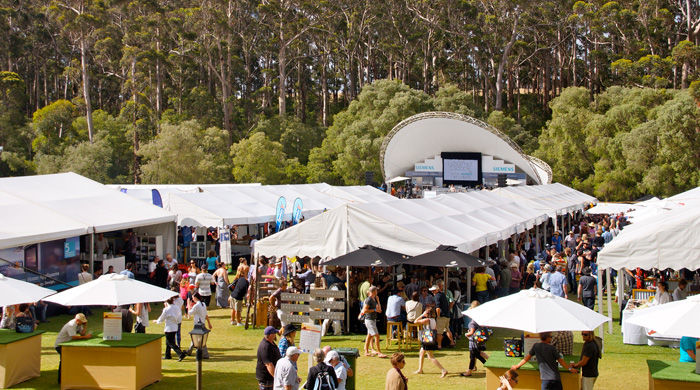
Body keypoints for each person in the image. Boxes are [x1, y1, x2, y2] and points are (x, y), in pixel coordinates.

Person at [511, 332, 578, 390]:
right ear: (547, 338)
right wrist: (570, 369)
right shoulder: (552, 348)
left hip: (545, 380)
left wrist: (517, 366)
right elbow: (561, 361)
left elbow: (526, 358)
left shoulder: (536, 346)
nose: (552, 338)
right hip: (555, 378)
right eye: (551, 337)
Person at [55, 313, 92, 383]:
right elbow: (74, 337)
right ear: (77, 320)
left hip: (67, 344)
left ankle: (69, 377)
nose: (83, 322)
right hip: (60, 345)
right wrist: (85, 337)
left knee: (69, 360)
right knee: (64, 361)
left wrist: (85, 326)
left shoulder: (79, 324)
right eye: (82, 321)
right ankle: (60, 380)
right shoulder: (71, 325)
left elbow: (82, 333)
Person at [413, 307, 448, 378]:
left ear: (427, 314)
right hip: (430, 338)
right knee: (421, 353)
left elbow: (415, 321)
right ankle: (420, 369)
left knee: (430, 357)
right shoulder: (433, 320)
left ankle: (443, 370)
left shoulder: (427, 320)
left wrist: (422, 315)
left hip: (427, 338)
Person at [153, 296, 186, 361]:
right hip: (175, 326)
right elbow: (179, 317)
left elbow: (162, 318)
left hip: (169, 327)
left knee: (170, 342)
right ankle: (167, 355)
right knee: (168, 342)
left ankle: (180, 354)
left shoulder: (167, 309)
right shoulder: (177, 308)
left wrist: (157, 321)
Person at [463, 301, 489, 376]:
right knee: (477, 355)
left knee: (474, 356)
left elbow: (471, 333)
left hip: (473, 343)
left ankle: (469, 371)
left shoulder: (472, 323)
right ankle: (470, 370)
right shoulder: (479, 319)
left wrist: (466, 334)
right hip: (479, 341)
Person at [360, 286, 387, 358]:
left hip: (372, 319)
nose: (377, 292)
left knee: (369, 336)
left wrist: (378, 300)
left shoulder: (374, 299)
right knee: (377, 335)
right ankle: (379, 352)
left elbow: (379, 310)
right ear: (374, 291)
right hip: (369, 320)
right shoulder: (368, 300)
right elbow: (365, 310)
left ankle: (366, 351)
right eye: (376, 290)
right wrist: (374, 310)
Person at [186, 292, 213, 358]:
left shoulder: (197, 305)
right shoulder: (203, 304)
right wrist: (209, 323)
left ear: (195, 298)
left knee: (199, 339)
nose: (192, 299)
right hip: (202, 323)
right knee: (197, 338)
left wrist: (188, 304)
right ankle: (189, 351)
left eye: (193, 298)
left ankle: (205, 355)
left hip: (198, 324)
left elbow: (190, 313)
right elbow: (206, 314)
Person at [257, 326, 282, 390]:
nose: (275, 335)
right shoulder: (265, 347)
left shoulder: (271, 342)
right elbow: (268, 365)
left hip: (271, 377)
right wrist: (276, 378)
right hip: (266, 378)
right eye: (274, 333)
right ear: (271, 335)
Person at [433, 282, 455, 347]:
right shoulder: (443, 294)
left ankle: (439, 345)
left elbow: (438, 308)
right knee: (447, 329)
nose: (432, 292)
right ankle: (452, 342)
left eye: (433, 291)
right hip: (447, 315)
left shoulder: (437, 296)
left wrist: (438, 316)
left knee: (439, 332)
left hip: (442, 316)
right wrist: (448, 310)